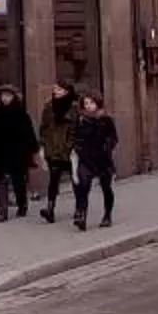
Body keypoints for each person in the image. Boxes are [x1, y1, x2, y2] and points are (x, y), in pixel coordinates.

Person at [0, 88, 39, 221]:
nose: (5, 98)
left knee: (18, 181)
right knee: (1, 181)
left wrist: (31, 149)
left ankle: (22, 204)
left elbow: (28, 133)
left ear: (13, 97)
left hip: (17, 153)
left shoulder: (20, 113)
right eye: (2, 95)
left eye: (8, 95)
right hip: (1, 153)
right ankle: (3, 210)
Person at [70, 93, 120, 230]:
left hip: (102, 159)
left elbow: (113, 138)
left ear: (97, 104)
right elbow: (74, 135)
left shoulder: (106, 120)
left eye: (91, 103)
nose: (88, 106)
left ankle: (107, 215)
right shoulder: (81, 120)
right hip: (85, 158)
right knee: (83, 186)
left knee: (106, 188)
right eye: (86, 103)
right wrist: (76, 147)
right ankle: (81, 215)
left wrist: (107, 146)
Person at [36, 81, 80, 226]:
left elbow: (77, 129)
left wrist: (72, 146)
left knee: (76, 180)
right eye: (55, 89)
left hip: (70, 150)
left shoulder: (74, 108)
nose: (55, 91)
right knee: (54, 178)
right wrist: (43, 145)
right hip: (53, 148)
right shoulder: (49, 107)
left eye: (59, 89)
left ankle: (79, 208)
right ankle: (50, 208)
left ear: (67, 92)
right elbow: (44, 128)